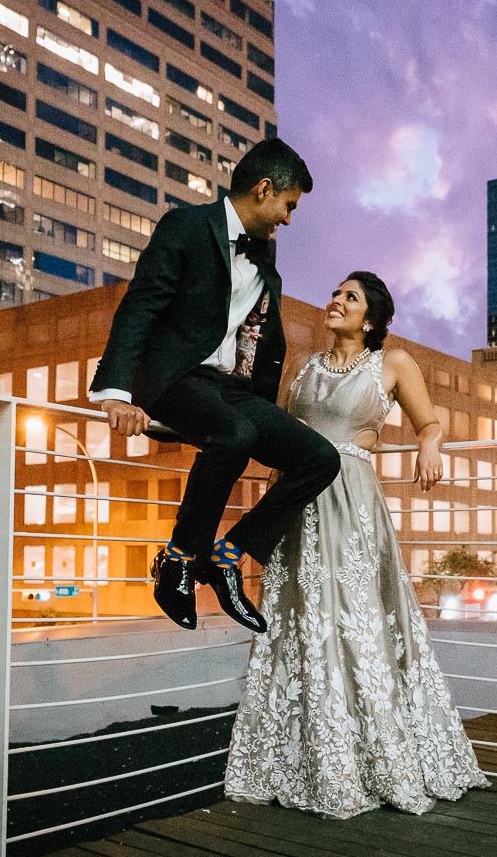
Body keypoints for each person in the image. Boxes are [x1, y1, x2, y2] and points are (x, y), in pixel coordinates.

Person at [224, 271, 489, 818]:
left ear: (370, 317)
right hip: (295, 500)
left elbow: (429, 423)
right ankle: (303, 756)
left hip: (351, 500)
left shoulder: (392, 363)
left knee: (355, 615)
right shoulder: (302, 366)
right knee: (298, 616)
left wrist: (430, 448)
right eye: (336, 293)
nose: (335, 301)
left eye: (350, 297)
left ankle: (370, 756)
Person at [88, 139, 341, 633]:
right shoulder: (185, 227)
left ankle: (228, 557)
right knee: (235, 435)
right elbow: (141, 305)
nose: (288, 219)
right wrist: (116, 392)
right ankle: (179, 560)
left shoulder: (266, 258)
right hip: (174, 377)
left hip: (233, 391)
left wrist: (263, 403)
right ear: (264, 190)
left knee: (320, 459)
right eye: (288, 205)